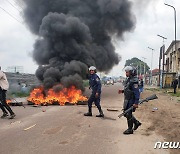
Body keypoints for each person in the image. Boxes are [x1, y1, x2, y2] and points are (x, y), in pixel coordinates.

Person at [118, 66, 141, 135]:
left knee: (128, 114)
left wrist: (136, 102)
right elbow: (128, 89)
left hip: (131, 100)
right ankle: (136, 123)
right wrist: (122, 91)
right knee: (126, 113)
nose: (126, 73)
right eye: (126, 72)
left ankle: (130, 129)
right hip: (127, 99)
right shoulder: (129, 79)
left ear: (131, 72)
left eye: (127, 72)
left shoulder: (134, 81)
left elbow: (136, 92)